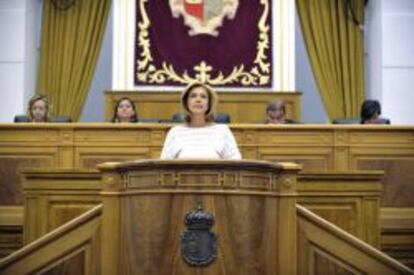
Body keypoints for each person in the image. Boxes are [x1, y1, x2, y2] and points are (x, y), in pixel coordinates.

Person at [160, 82, 241, 160]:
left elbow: (236, 163)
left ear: (209, 104)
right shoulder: (175, 132)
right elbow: (163, 166)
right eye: (193, 96)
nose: (198, 100)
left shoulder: (223, 131)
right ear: (186, 102)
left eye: (203, 97)